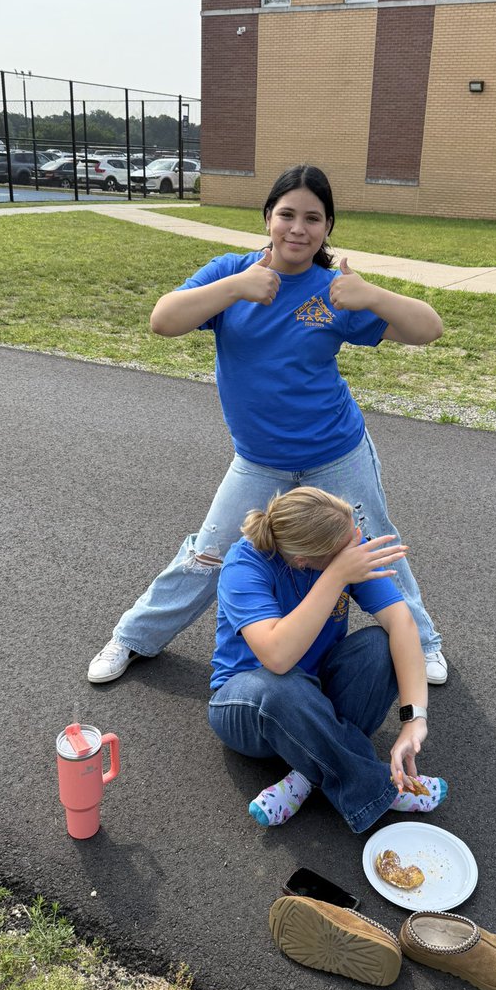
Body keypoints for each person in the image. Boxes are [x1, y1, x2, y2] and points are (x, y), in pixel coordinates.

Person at [88, 164, 448, 687]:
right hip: (258, 459)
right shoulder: (231, 274)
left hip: (336, 452)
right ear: (267, 218)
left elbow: (429, 329)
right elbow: (163, 320)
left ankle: (425, 642)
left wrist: (372, 296)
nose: (297, 229)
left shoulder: (336, 290)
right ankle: (134, 637)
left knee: (371, 545)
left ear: (328, 229)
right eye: (287, 215)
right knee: (208, 553)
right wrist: (237, 286)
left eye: (313, 218)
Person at [208, 487, 447, 832]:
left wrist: (414, 719)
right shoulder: (245, 563)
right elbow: (277, 658)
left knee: (380, 647)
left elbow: (402, 624)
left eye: (356, 533)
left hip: (315, 705)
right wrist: (336, 576)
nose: (357, 543)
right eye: (348, 544)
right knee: (282, 686)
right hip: (250, 707)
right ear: (306, 559)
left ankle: (305, 775)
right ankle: (377, 786)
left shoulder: (342, 548)